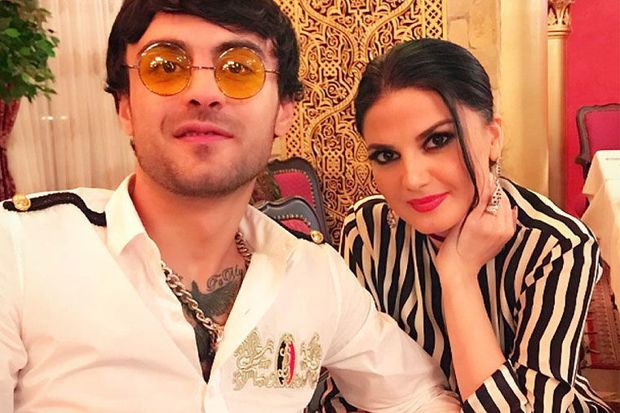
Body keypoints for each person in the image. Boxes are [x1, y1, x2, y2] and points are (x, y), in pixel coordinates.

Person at [0, 1, 462, 412]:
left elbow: (418, 397)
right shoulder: (20, 253)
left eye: (240, 68)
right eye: (165, 66)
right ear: (125, 106)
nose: (204, 93)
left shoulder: (313, 272)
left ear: (284, 110)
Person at [322, 39, 612, 412]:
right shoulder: (368, 231)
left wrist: (458, 275)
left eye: (438, 140)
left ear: (493, 138)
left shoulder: (556, 245)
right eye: (386, 155)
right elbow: (350, 389)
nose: (413, 179)